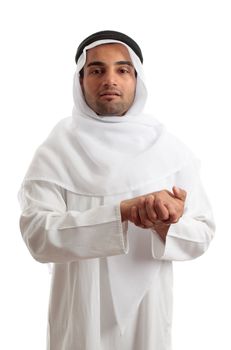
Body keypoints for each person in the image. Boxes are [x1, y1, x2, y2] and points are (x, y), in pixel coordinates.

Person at [19, 30, 215, 350]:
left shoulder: (169, 150)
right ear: (80, 80)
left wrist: (167, 226)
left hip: (148, 318)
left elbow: (203, 233)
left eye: (122, 70)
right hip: (80, 318)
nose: (110, 79)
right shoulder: (55, 151)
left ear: (137, 80)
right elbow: (38, 237)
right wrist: (120, 213)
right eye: (97, 70)